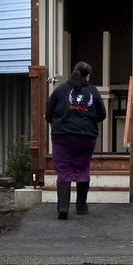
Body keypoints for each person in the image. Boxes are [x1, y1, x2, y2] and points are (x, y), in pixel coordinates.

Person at [44, 61, 106, 219]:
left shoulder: (60, 90)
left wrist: (60, 124)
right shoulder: (93, 91)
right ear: (88, 76)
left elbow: (49, 114)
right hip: (87, 136)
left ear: (73, 72)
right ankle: (81, 207)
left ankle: (63, 208)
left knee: (64, 171)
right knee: (82, 168)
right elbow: (102, 115)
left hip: (62, 137)